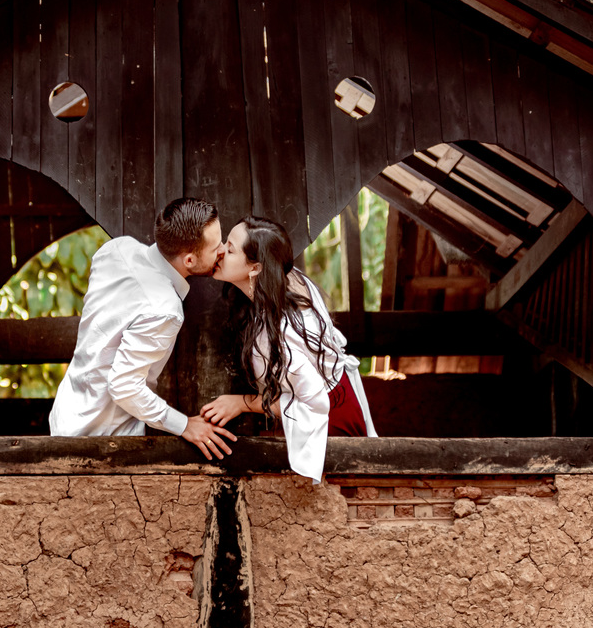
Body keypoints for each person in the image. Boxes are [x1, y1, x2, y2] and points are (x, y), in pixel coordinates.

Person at [49, 197, 238, 460]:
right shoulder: (164, 309)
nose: (222, 249)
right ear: (190, 261)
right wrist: (184, 425)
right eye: (215, 246)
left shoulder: (116, 249)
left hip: (67, 412)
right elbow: (124, 386)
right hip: (103, 438)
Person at [199, 216, 376, 482]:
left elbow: (316, 402)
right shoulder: (281, 278)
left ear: (256, 268)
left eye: (231, 248)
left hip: (331, 421)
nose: (221, 250)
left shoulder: (281, 333)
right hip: (337, 397)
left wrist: (241, 403)